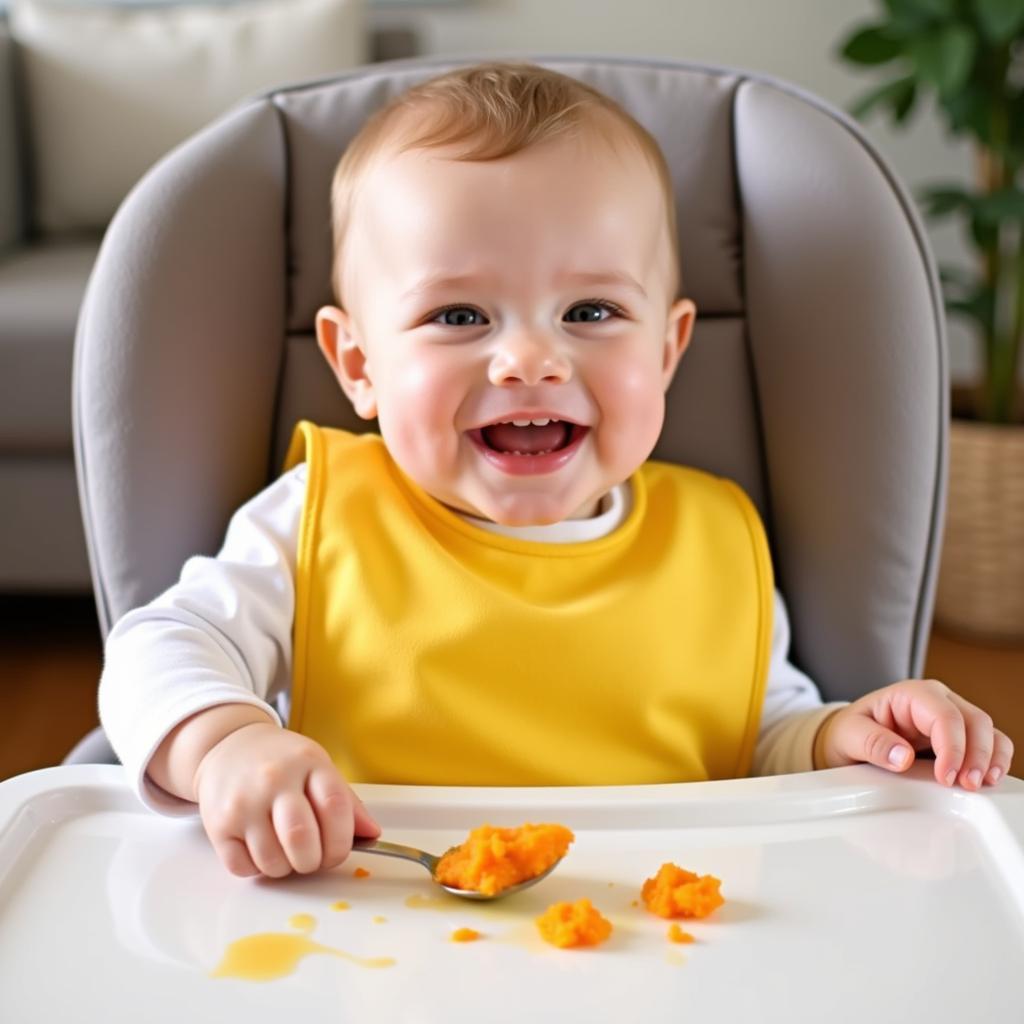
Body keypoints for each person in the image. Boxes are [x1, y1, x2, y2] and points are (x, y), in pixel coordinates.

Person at [99, 62, 1014, 881]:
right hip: (371, 930)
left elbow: (761, 736)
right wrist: (225, 744)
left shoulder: (718, 540)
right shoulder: (317, 520)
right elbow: (157, 649)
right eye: (459, 317)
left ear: (667, 348)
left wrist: (847, 737)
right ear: (358, 364)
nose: (529, 360)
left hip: (673, 950)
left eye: (590, 309)